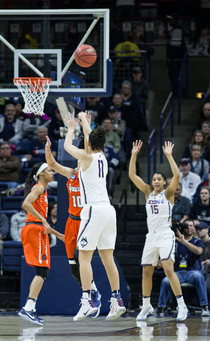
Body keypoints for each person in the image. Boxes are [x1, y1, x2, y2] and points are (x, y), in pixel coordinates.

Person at [64, 112, 126, 322]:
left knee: (83, 257)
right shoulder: (102, 157)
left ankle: (87, 300)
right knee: (108, 259)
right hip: (109, 211)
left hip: (93, 210)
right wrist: (86, 124)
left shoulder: (86, 157)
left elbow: (67, 147)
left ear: (89, 143)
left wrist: (72, 127)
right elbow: (91, 139)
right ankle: (117, 300)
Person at [129, 140, 188, 321]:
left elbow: (177, 175)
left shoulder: (168, 193)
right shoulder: (147, 191)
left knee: (169, 269)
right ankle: (146, 305)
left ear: (164, 182)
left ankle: (182, 306)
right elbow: (132, 175)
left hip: (165, 235)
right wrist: (133, 155)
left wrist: (169, 156)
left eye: (159, 179)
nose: (155, 181)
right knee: (146, 271)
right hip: (151, 237)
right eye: (154, 179)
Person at [45, 133, 102, 316]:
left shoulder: (89, 175)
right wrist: (48, 150)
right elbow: (52, 165)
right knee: (72, 267)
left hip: (86, 220)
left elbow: (91, 152)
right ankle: (92, 290)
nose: (79, 161)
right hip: (71, 221)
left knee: (81, 257)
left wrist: (85, 132)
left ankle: (89, 297)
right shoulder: (71, 173)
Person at [18, 162, 64, 326]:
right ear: (41, 173)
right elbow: (25, 204)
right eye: (50, 170)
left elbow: (46, 225)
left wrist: (59, 235)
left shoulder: (42, 191)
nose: (53, 173)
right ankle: (28, 308)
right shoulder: (39, 188)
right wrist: (44, 220)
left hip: (37, 229)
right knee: (42, 271)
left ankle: (30, 307)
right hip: (34, 229)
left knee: (42, 271)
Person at [157, 221, 210, 317]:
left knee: (199, 276)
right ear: (183, 228)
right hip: (178, 273)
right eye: (186, 226)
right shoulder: (175, 242)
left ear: (194, 228)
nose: (189, 228)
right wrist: (162, 262)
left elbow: (198, 251)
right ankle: (161, 308)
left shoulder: (197, 241)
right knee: (165, 281)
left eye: (191, 226)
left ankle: (204, 307)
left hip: (193, 271)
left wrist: (184, 241)